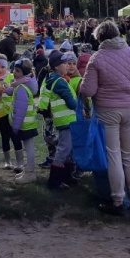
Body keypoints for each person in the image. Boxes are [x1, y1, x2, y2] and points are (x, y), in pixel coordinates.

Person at [79, 20, 130, 216]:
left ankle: (117, 200)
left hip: (107, 111)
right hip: (129, 109)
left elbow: (89, 90)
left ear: (99, 37)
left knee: (114, 155)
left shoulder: (97, 58)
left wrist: (81, 86)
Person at [43, 51, 79, 191]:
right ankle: (55, 181)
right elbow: (71, 102)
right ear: (57, 66)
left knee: (67, 148)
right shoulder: (60, 82)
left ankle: (66, 176)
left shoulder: (55, 79)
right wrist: (76, 104)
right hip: (66, 120)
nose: (67, 66)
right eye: (64, 63)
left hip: (64, 119)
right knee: (63, 149)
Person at [8, 59, 39, 184]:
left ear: (24, 72)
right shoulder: (23, 85)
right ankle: (28, 170)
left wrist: (15, 126)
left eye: (17, 71)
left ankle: (30, 172)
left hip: (25, 124)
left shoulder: (21, 88)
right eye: (14, 70)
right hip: (28, 123)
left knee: (29, 147)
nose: (14, 73)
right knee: (29, 146)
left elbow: (20, 110)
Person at [0, 54, 22, 170]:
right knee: (5, 136)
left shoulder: (12, 77)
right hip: (1, 114)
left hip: (12, 112)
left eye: (2, 67)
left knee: (15, 136)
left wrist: (10, 88)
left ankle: (19, 163)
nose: (0, 70)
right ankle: (7, 161)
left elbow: (19, 92)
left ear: (7, 67)